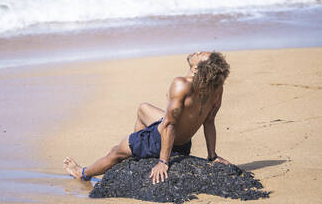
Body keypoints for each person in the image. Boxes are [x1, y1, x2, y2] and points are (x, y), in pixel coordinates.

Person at [64, 51, 231, 185]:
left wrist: (163, 162)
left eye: (199, 55)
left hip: (159, 140)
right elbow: (208, 122)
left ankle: (83, 173)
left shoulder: (181, 84)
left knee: (116, 152)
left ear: (195, 69)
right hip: (183, 140)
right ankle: (136, 154)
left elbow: (169, 126)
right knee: (143, 108)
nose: (197, 52)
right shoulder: (216, 88)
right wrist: (212, 156)